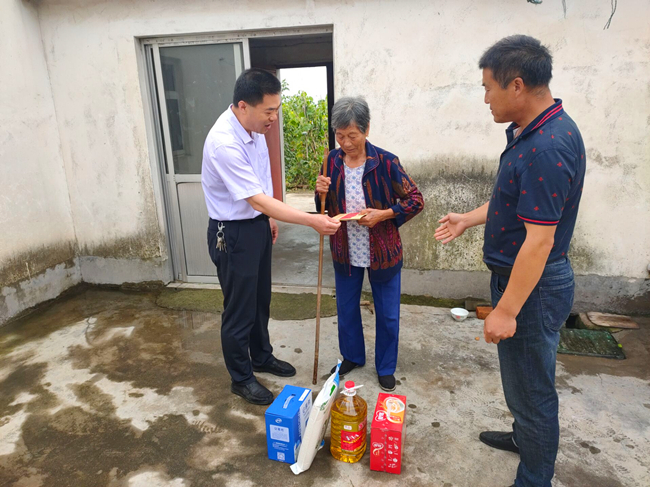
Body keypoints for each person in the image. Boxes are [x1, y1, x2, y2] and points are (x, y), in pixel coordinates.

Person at [435, 36, 586, 487]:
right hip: (523, 281)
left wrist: (506, 309)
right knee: (521, 382)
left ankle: (534, 477)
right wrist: (468, 218)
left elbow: (539, 242)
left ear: (516, 85)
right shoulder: (532, 133)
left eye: (488, 88)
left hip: (532, 288)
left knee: (533, 393)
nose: (486, 99)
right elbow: (515, 203)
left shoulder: (548, 147)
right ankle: (524, 437)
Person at [201, 68, 340, 405]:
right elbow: (255, 198)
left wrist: (269, 218)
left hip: (256, 225)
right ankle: (241, 378)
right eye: (269, 111)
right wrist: (310, 221)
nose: (274, 118)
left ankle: (261, 356)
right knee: (239, 309)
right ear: (243, 106)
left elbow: (262, 183)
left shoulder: (255, 130)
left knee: (261, 299)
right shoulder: (224, 143)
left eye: (277, 110)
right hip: (232, 233)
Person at [316, 96, 424, 392]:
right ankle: (352, 356)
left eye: (352, 135)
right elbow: (324, 208)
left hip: (382, 251)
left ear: (366, 130)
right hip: (345, 249)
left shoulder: (386, 162)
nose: (346, 143)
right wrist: (319, 191)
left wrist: (384, 214)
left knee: (387, 314)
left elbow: (416, 201)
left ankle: (386, 366)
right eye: (340, 136)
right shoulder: (331, 161)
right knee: (346, 309)